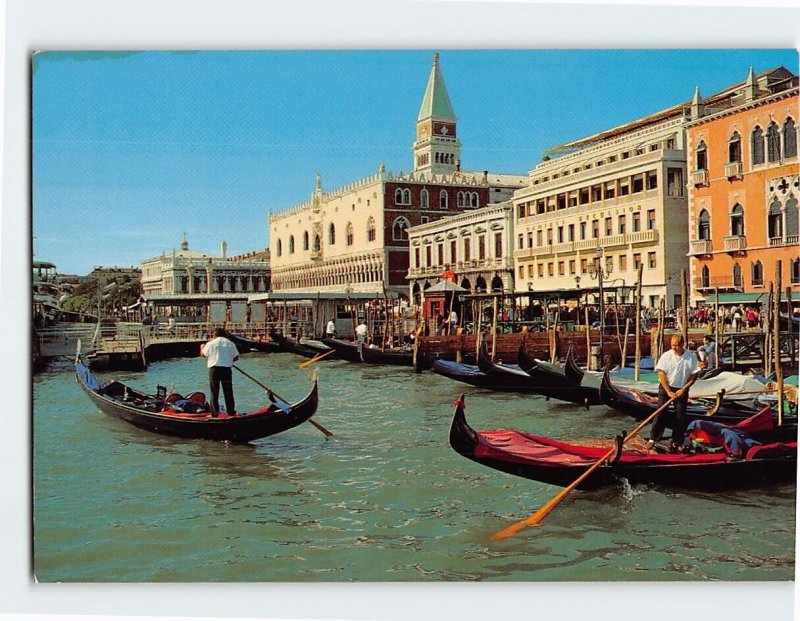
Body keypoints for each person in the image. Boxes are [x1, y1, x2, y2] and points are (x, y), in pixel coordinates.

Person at [646, 334, 700, 453]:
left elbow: (693, 376)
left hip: (682, 388)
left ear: (682, 345)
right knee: (660, 412)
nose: (674, 348)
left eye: (676, 345)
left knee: (680, 416)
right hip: (666, 388)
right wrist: (669, 391)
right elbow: (661, 374)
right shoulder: (666, 356)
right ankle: (653, 438)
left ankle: (677, 440)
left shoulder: (691, 357)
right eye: (672, 345)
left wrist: (683, 389)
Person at [200, 327, 239, 417]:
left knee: (214, 392)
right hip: (226, 370)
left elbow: (203, 354)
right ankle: (231, 412)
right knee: (228, 392)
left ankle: (214, 414)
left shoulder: (210, 343)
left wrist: (201, 347)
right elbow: (236, 357)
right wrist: (228, 360)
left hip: (214, 370)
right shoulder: (230, 343)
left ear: (214, 334)